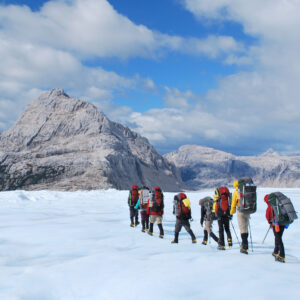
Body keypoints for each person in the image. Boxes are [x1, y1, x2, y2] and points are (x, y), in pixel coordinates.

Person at [264, 194, 286, 263]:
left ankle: (282, 255)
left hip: (276, 224)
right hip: (282, 223)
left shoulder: (270, 207)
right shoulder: (279, 204)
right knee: (278, 237)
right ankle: (276, 251)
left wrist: (270, 223)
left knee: (278, 238)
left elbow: (268, 217)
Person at [230, 180, 250, 254]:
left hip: (240, 211)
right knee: (246, 227)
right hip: (248, 210)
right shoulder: (246, 190)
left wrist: (231, 212)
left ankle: (245, 247)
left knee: (242, 228)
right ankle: (244, 245)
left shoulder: (236, 192)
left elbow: (233, 204)